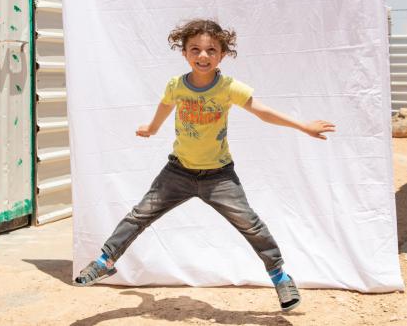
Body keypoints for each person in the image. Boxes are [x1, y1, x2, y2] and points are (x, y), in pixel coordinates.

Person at [74, 19, 335, 312]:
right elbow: (165, 104)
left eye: (211, 50)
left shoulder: (228, 87)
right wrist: (151, 127)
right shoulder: (176, 85)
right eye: (195, 49)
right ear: (184, 53)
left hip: (219, 176)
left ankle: (280, 275)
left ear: (223, 54)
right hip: (178, 171)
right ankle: (105, 260)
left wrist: (303, 126)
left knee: (250, 224)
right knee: (139, 215)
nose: (203, 56)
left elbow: (263, 112)